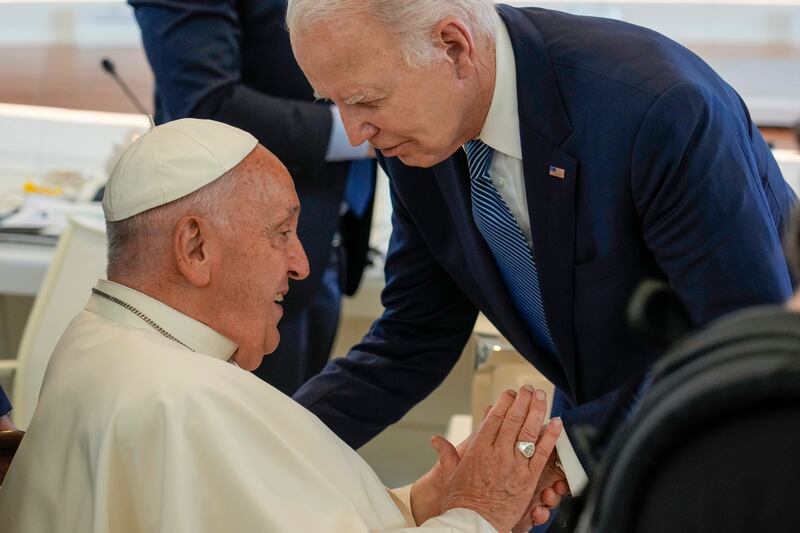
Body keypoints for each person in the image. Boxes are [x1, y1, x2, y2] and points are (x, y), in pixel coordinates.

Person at [285, 0, 797, 497]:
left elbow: (736, 349)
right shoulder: (416, 136)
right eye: (334, 103)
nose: (356, 135)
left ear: (454, 46)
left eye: (367, 101)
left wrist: (555, 459)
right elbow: (416, 334)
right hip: (603, 426)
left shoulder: (658, 107)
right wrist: (261, 436)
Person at [0, 119, 563, 532]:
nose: (301, 263)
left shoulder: (100, 340)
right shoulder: (183, 401)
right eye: (280, 232)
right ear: (195, 247)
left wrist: (424, 503)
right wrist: (480, 513)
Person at [128, 0, 376, 395]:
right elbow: (208, 105)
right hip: (234, 260)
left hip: (328, 233)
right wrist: (366, 125)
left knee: (296, 432)